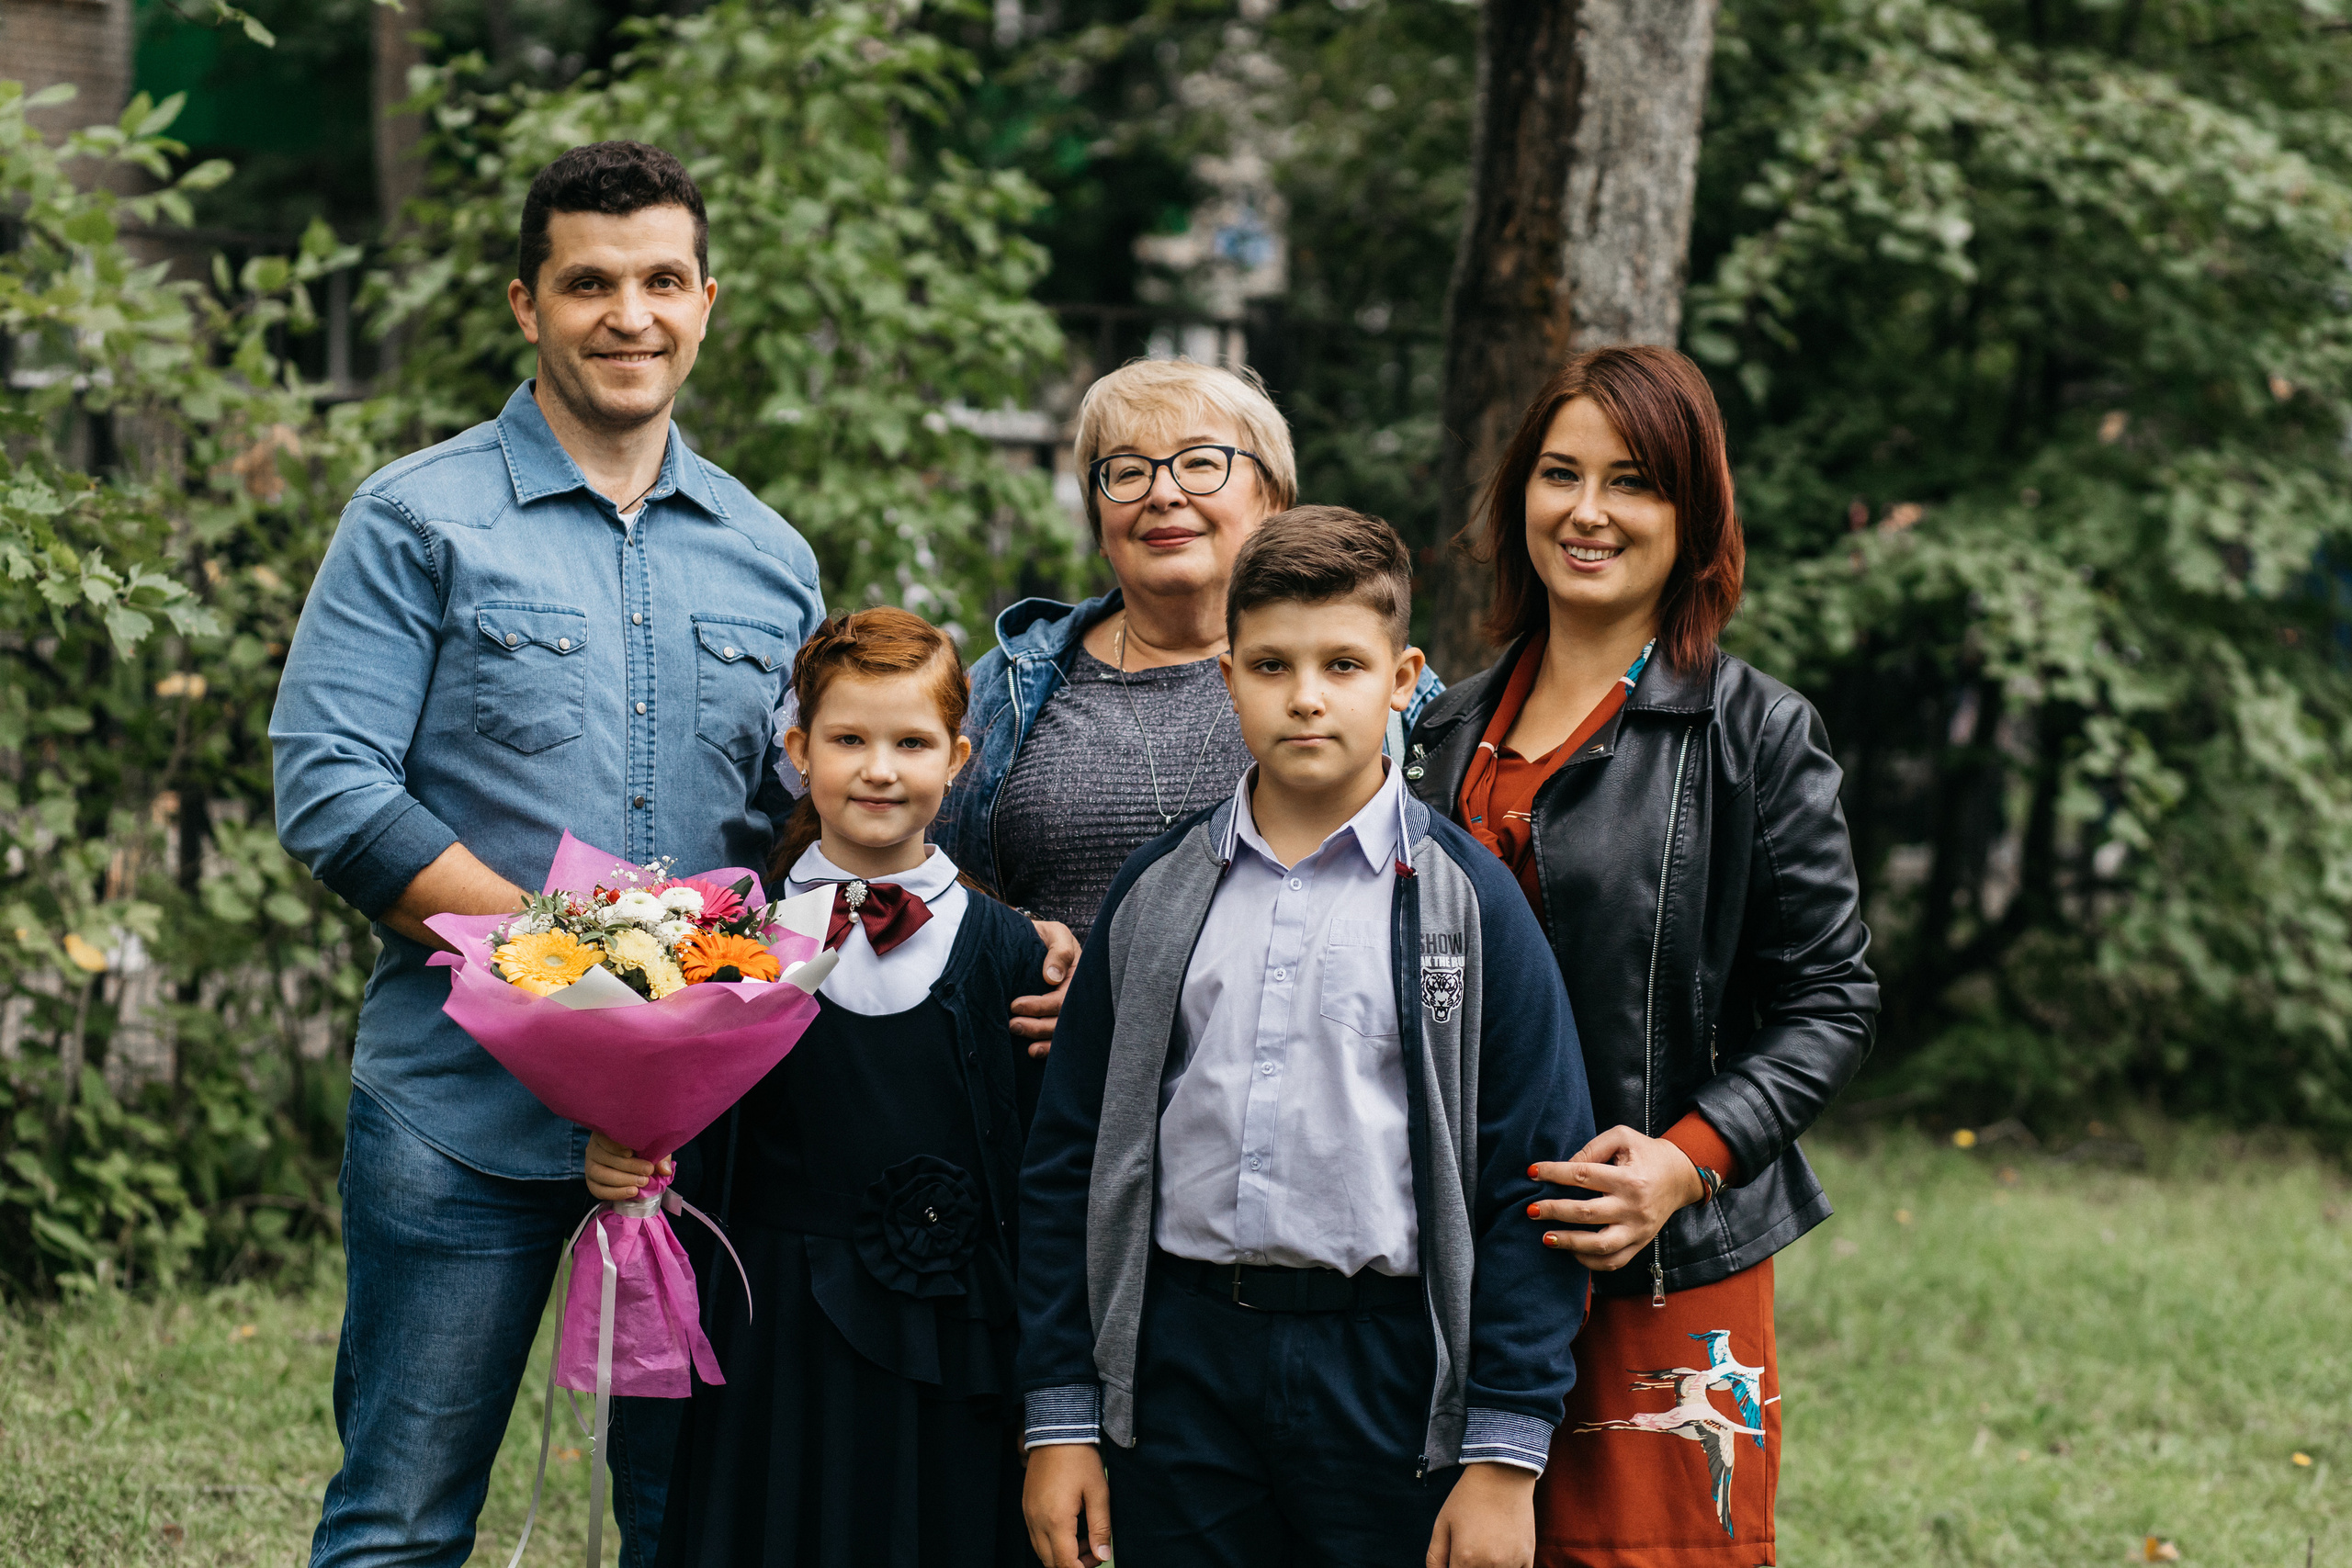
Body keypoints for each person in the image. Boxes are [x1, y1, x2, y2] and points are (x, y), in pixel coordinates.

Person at [270, 142, 824, 1567]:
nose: (626, 314)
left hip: (691, 1146)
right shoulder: (416, 518)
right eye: (588, 281)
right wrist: (573, 967)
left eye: (659, 281)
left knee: (683, 1522)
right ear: (528, 302)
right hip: (459, 1116)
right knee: (401, 1515)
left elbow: (792, 833)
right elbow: (332, 786)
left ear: (708, 301)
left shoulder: (772, 558)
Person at [1018, 506, 1597, 1568]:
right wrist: (1062, 1419)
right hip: (1181, 1363)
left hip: (1387, 1374)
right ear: (1229, 674)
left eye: (1342, 663)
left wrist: (1504, 1454)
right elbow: (1069, 1162)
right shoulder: (1155, 896)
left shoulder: (1467, 905)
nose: (1307, 696)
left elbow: (1533, 1184)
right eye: (1273, 665)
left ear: (1401, 675)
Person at [1402, 346, 1880, 1565]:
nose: (1589, 510)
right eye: (1560, 472)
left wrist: (1682, 1162)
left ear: (1694, 515)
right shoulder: (1444, 728)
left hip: (1663, 1259)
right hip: (1446, 1250)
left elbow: (1831, 997)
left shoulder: (1756, 730)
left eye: (1634, 481)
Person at [589, 609, 1049, 1568]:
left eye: (911, 742)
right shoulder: (727, 942)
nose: (880, 768)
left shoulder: (1016, 952)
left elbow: (1034, 1169)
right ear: (798, 751)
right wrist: (628, 1155)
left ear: (958, 757)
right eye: (848, 740)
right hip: (771, 1339)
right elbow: (695, 1140)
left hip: (953, 1341)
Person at [937, 360, 1443, 1004]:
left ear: (1273, 500)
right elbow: (921, 877)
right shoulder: (1007, 684)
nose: (1162, 493)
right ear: (1098, 522)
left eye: (1201, 463)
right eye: (1126, 472)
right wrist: (1011, 943)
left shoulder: (1381, 693)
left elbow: (1431, 912)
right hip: (1039, 1088)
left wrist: (1120, 1007)